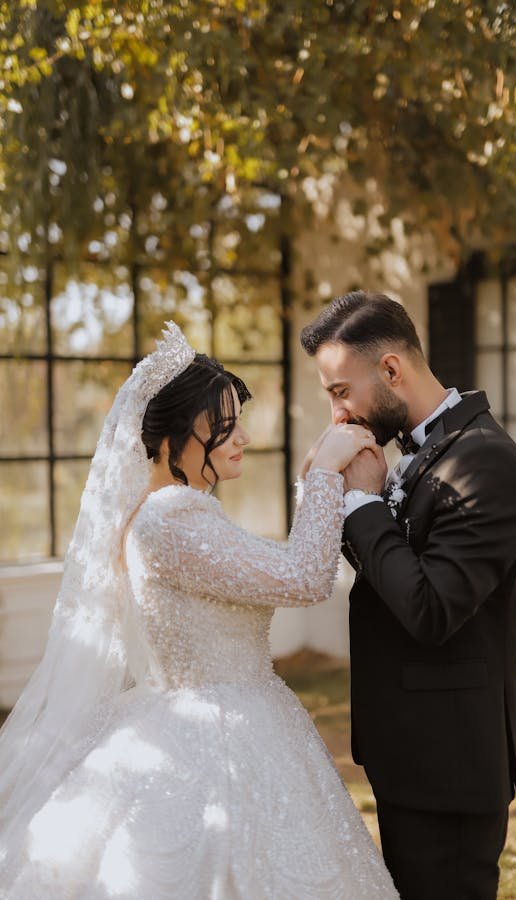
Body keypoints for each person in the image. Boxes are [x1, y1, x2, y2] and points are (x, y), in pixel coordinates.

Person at [0, 322, 398, 899]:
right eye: (221, 428)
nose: (240, 441)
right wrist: (320, 477)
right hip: (219, 736)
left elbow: (280, 567)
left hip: (240, 712)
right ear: (168, 439)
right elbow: (306, 578)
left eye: (238, 426)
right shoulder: (172, 519)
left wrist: (313, 478)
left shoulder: (181, 512)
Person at [301, 291, 516, 900]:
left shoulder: (486, 463)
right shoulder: (415, 452)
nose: (338, 413)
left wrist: (363, 502)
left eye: (339, 391)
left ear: (390, 370)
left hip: (450, 767)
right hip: (409, 753)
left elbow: (430, 611)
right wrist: (340, 496)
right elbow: (389, 576)